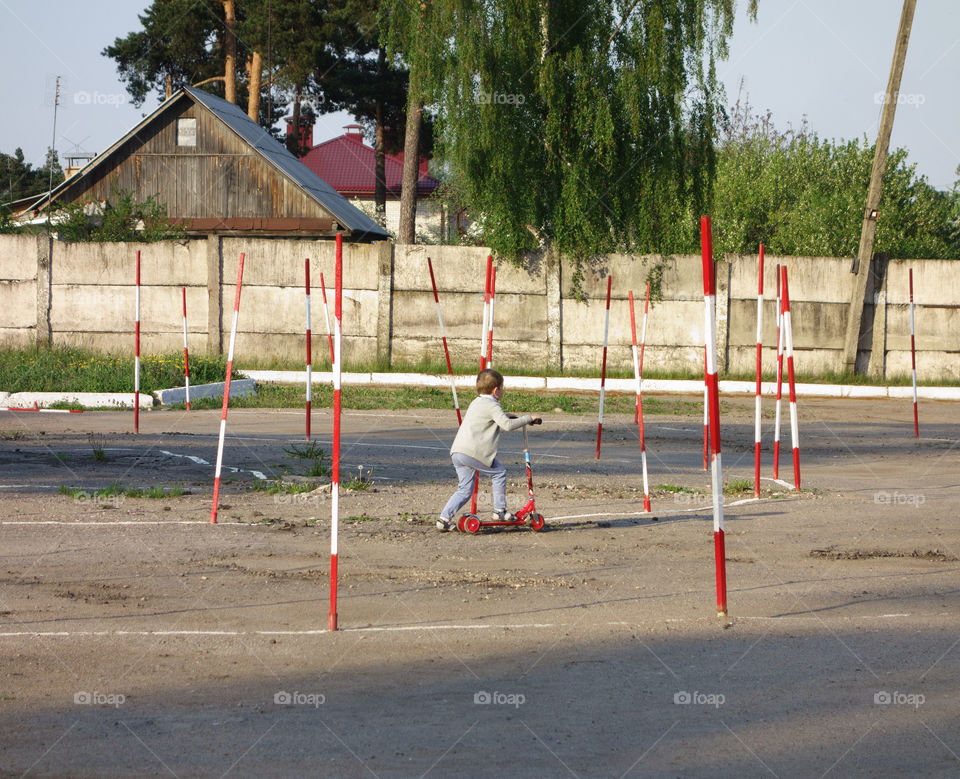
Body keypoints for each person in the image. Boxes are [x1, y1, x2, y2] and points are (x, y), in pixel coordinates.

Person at [437, 368, 541, 532]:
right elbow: (506, 425)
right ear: (496, 390)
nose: (503, 390)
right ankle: (499, 511)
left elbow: (496, 417)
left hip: (458, 452)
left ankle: (443, 519)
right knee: (499, 472)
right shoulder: (493, 405)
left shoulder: (477, 401)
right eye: (502, 387)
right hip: (473, 453)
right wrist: (528, 418)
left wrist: (513, 417)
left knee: (465, 489)